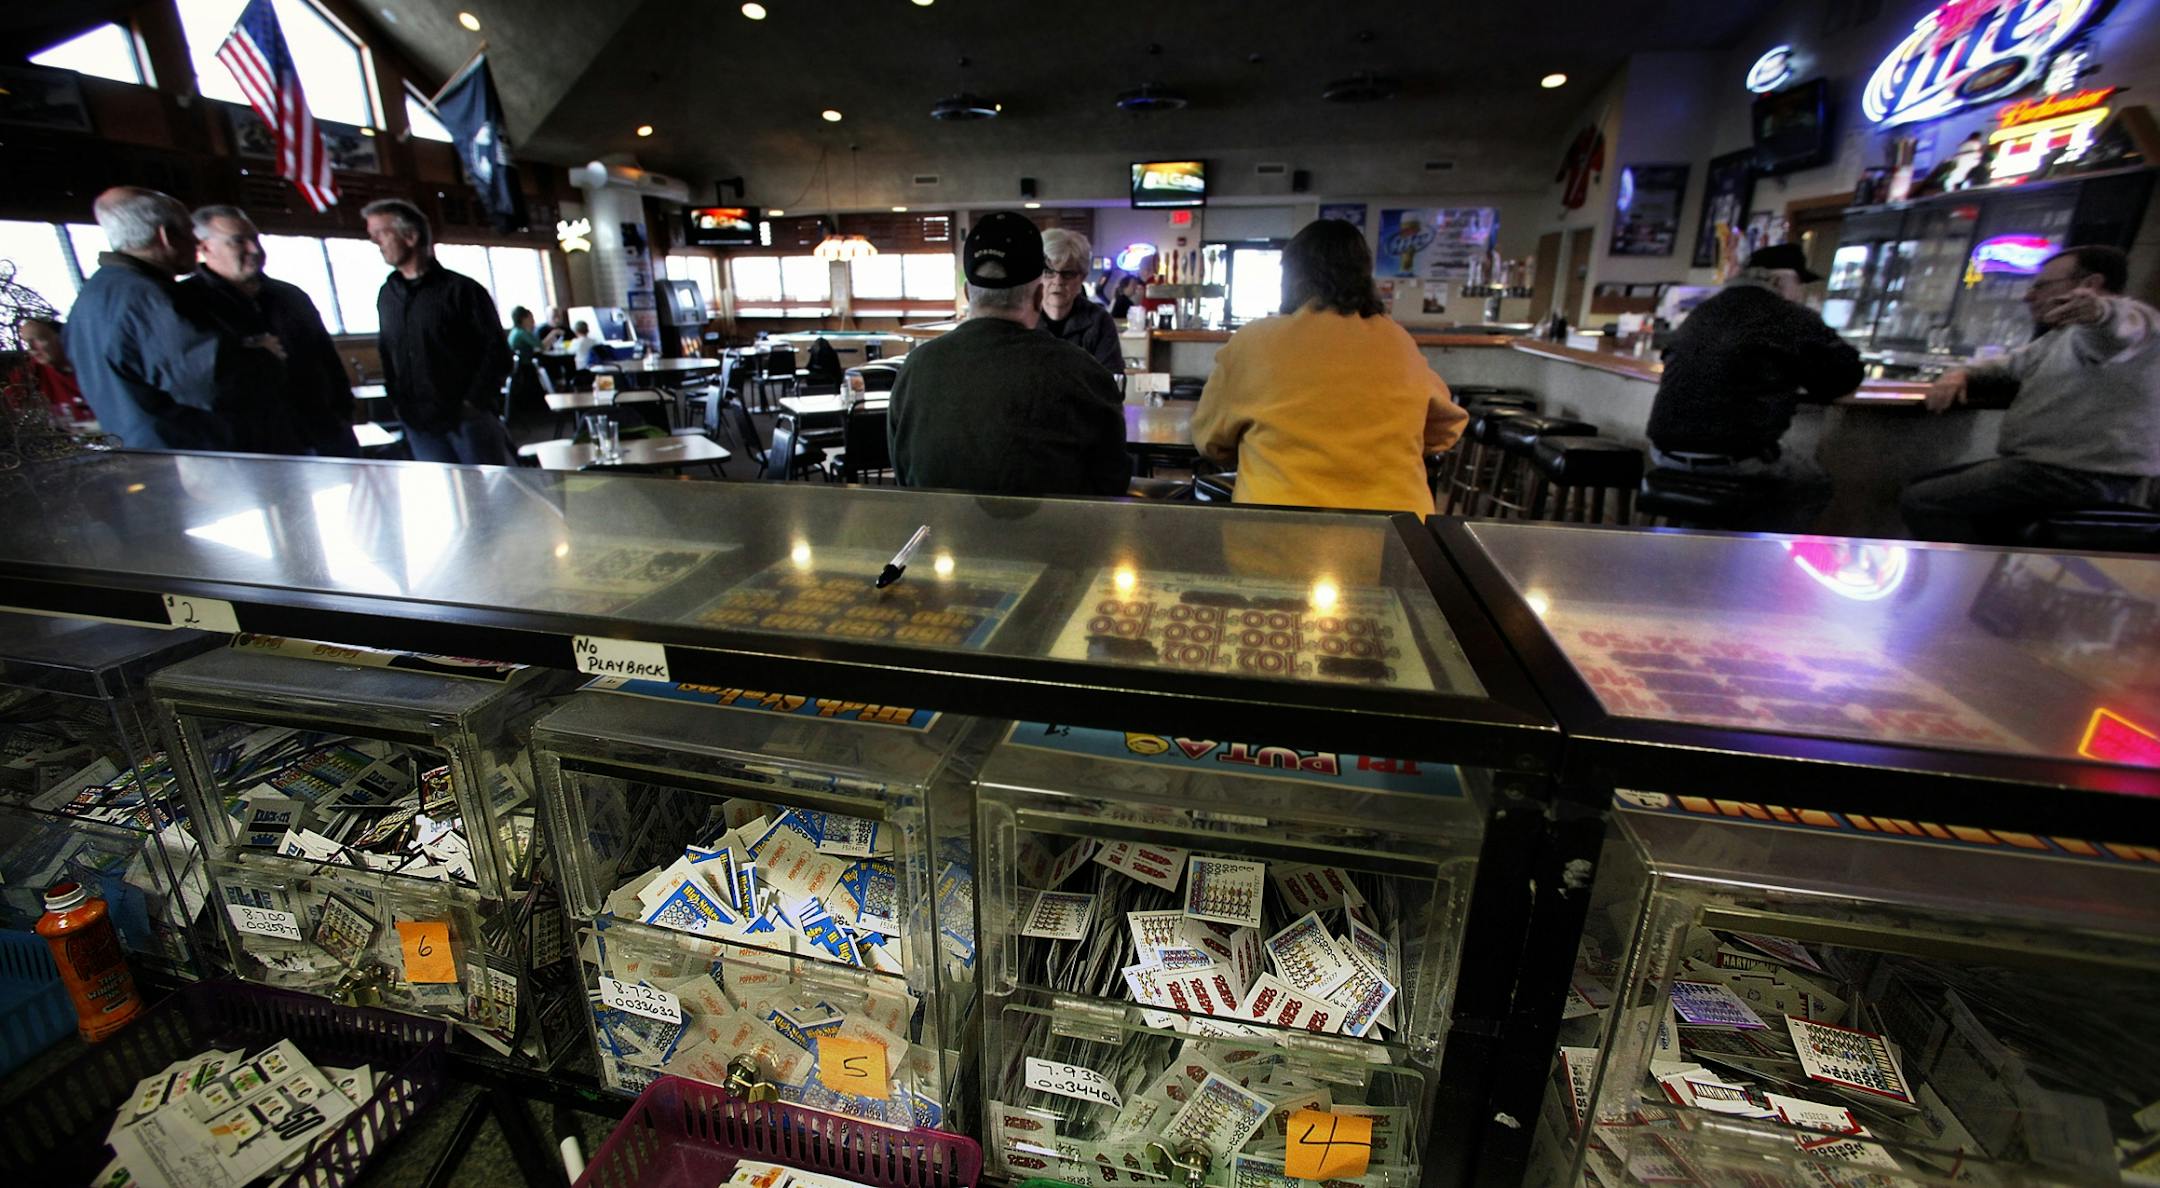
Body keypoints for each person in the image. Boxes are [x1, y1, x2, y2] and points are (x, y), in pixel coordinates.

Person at [1190, 218, 1466, 514]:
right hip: (1393, 538)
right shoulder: (1397, 339)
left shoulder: (1255, 341)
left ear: (1291, 277)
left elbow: (1210, 441)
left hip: (1277, 538)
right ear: (1365, 276)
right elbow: (1446, 429)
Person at [1901, 245, 2159, 543]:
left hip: (2078, 474)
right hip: (2053, 469)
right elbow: (2008, 364)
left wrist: (2098, 311)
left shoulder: (2136, 321)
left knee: (1923, 500)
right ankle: (1996, 570)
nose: (2028, 296)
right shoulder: (2061, 336)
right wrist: (1961, 373)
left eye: (2041, 286)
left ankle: (1976, 579)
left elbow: (2117, 332)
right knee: (1926, 487)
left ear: (2090, 285)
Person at [888, 211, 1128, 496]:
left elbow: (902, 469)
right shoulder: (1084, 373)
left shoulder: (916, 366)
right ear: (1039, 296)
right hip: (1052, 537)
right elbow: (1113, 481)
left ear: (967, 293)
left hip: (938, 534)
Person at [1643, 243, 1862, 533]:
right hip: (1734, 459)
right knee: (1813, 484)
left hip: (1663, 452)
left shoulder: (1704, 311)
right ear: (1781, 281)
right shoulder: (1788, 316)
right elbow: (1842, 377)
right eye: (1799, 284)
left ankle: (1700, 548)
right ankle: (1761, 561)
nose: (1802, 294)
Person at [63, 187, 282, 452]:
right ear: (166, 236)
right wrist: (262, 354)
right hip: (188, 455)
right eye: (190, 231)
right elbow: (209, 382)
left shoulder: (94, 293)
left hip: (139, 451)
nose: (195, 242)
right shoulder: (146, 298)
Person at [185, 205, 356, 456]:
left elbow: (328, 361)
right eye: (238, 241)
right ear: (203, 247)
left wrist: (343, 414)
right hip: (251, 448)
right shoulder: (189, 304)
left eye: (255, 239)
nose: (254, 249)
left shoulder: (290, 296)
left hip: (322, 432)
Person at [363, 197, 514, 466]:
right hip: (418, 423)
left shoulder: (461, 291)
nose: (375, 242)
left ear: (410, 236)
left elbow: (497, 352)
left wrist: (472, 403)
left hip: (467, 420)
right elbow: (387, 352)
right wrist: (398, 402)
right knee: (441, 497)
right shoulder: (387, 295)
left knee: (488, 498)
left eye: (382, 233)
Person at [1038, 228, 1124, 373]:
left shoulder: (1099, 321)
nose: (1058, 281)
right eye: (1049, 272)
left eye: (1068, 274)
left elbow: (1113, 384)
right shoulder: (1021, 318)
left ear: (1082, 277)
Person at [14, 317, 94, 425]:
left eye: (36, 340)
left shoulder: (93, 363)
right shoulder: (30, 373)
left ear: (60, 337)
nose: (32, 349)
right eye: (27, 343)